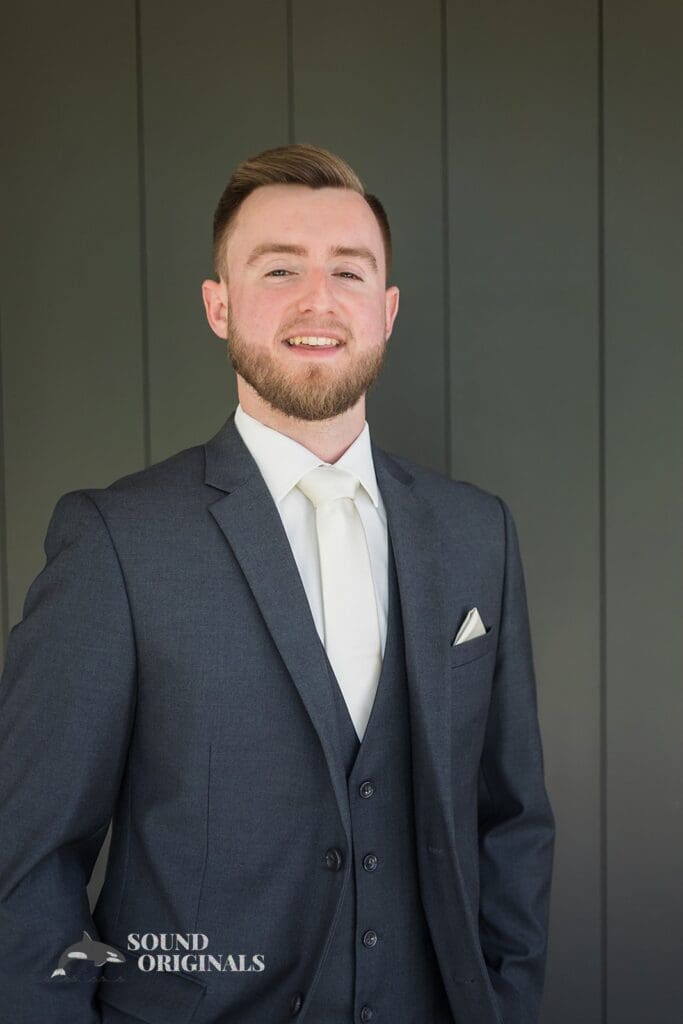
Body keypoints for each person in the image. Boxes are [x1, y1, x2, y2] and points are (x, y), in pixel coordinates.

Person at [0, 143, 555, 1024]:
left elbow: (510, 819)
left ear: (387, 308)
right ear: (218, 305)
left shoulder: (474, 531)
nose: (317, 300)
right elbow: (28, 863)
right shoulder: (115, 542)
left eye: (349, 270)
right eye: (279, 269)